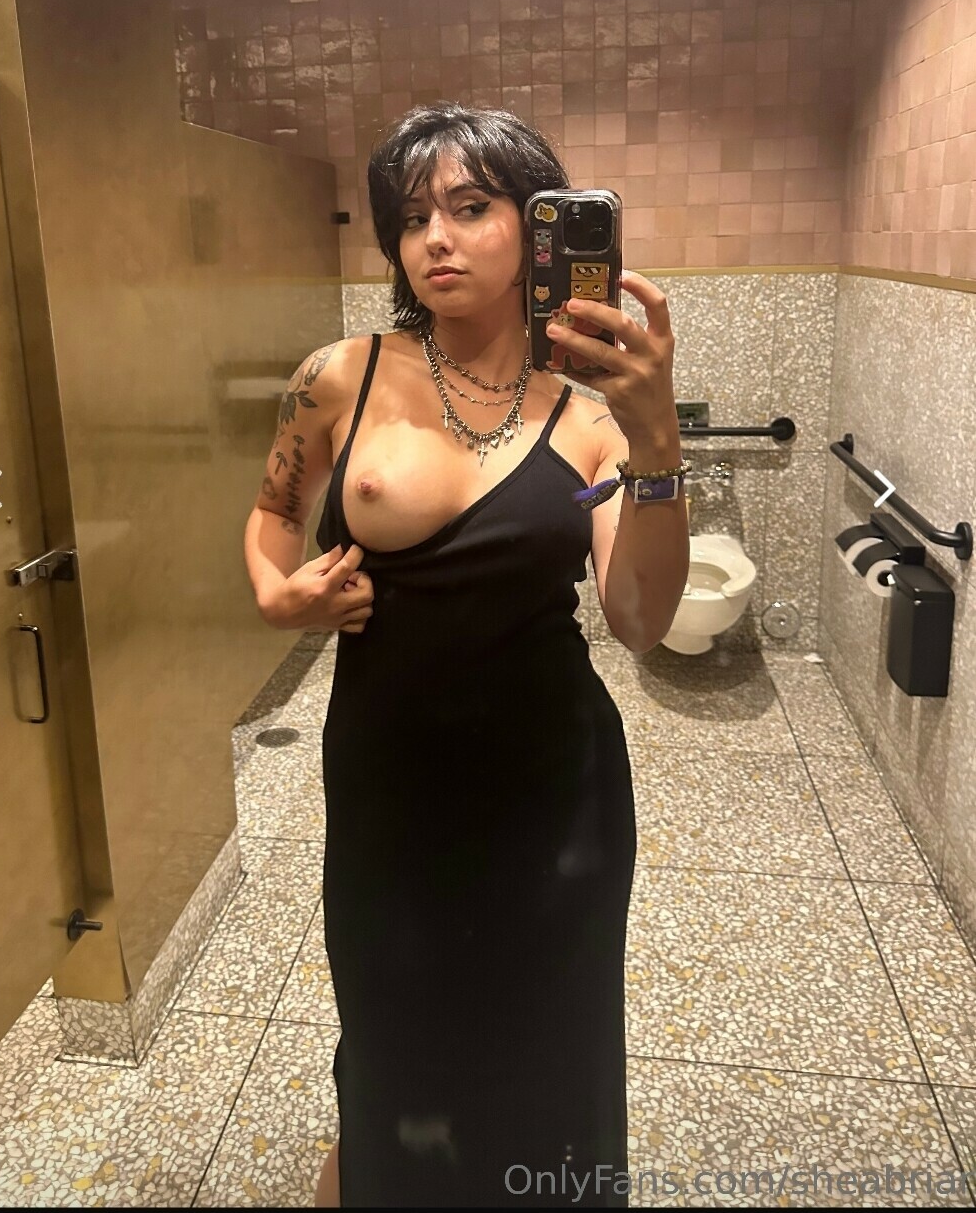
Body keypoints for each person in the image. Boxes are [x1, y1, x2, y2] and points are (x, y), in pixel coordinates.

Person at [243, 102, 688, 1207]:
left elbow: (638, 619)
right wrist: (276, 594)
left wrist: (656, 441)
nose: (433, 237)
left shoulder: (589, 422)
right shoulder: (339, 374)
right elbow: (273, 515)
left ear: (538, 226)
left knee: (545, 1030)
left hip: (553, 785)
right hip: (388, 774)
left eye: (470, 206)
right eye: (410, 217)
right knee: (392, 1018)